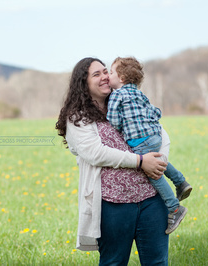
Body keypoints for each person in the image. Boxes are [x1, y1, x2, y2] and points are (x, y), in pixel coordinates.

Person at [56, 57, 171, 265]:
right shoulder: (78, 117)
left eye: (106, 71)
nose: (105, 77)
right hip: (113, 205)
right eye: (96, 74)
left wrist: (159, 160)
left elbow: (160, 132)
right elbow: (95, 152)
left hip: (151, 200)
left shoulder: (125, 99)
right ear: (84, 83)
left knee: (158, 262)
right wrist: (140, 161)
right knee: (113, 262)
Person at [107, 56, 192, 234]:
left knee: (153, 173)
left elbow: (113, 120)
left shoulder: (116, 95)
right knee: (158, 159)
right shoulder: (140, 94)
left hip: (138, 140)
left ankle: (174, 208)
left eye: (111, 72)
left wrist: (119, 126)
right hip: (154, 136)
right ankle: (181, 182)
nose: (108, 75)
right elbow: (155, 112)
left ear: (121, 78)